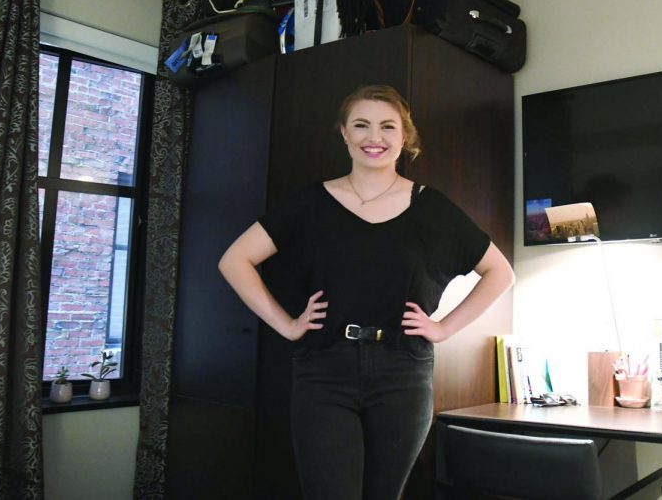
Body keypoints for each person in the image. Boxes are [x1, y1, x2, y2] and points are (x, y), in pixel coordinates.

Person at [218, 84, 515, 500]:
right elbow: (235, 260)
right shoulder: (310, 202)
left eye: (387, 127)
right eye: (361, 125)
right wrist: (285, 325)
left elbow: (500, 273)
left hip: (403, 373)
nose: (373, 138)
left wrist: (444, 327)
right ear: (343, 133)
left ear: (404, 136)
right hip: (323, 372)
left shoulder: (431, 207)